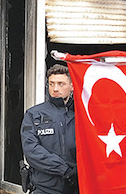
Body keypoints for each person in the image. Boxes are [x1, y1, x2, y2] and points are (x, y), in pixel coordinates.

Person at [20, 64, 77, 194]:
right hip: (44, 188)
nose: (55, 89)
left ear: (72, 86)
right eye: (51, 84)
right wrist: (64, 170)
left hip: (76, 187)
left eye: (61, 84)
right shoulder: (34, 114)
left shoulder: (82, 115)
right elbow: (31, 150)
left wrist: (78, 171)